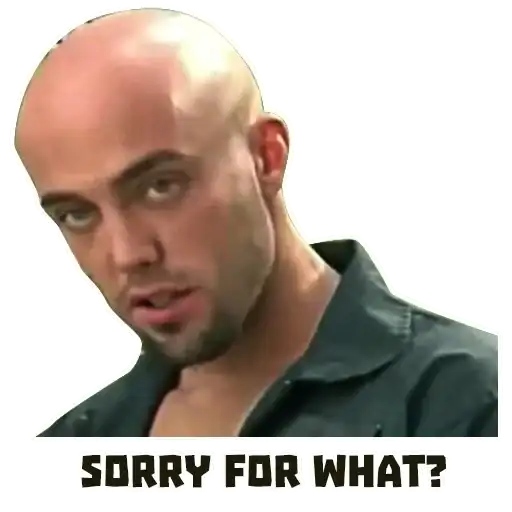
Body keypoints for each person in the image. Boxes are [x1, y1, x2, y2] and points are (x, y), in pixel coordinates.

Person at [15, 9, 498, 437]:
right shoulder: (67, 454)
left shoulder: (469, 406)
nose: (128, 254)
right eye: (77, 214)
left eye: (160, 187)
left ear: (266, 157)